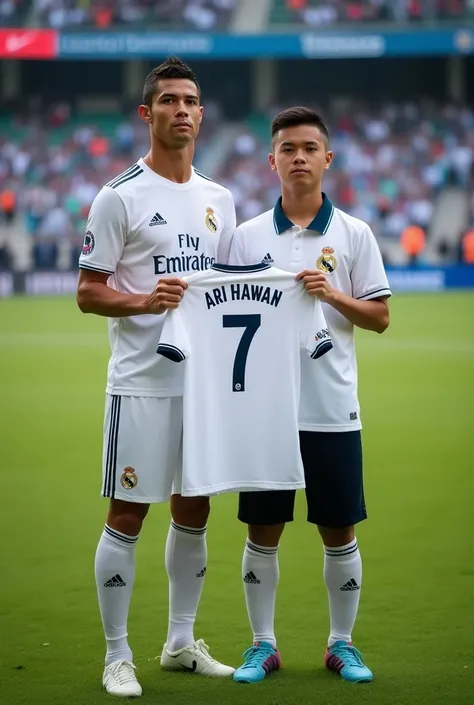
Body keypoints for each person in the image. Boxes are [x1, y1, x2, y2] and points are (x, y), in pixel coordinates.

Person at [76, 56, 236, 698]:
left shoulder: (219, 200)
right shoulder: (119, 196)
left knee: (194, 512)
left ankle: (179, 642)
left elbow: (228, 292)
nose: (182, 111)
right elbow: (89, 293)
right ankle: (117, 655)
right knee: (127, 513)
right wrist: (143, 301)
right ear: (147, 114)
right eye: (168, 100)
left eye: (191, 101)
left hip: (202, 389)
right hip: (142, 383)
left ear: (202, 114)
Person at [227, 106, 391, 684]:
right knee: (261, 530)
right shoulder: (244, 238)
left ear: (328, 158)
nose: (299, 157)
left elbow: (380, 317)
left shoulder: (354, 234)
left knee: (339, 528)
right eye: (288, 148)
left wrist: (333, 295)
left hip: (331, 407)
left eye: (309, 148)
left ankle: (341, 644)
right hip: (265, 411)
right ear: (272, 160)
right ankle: (261, 644)